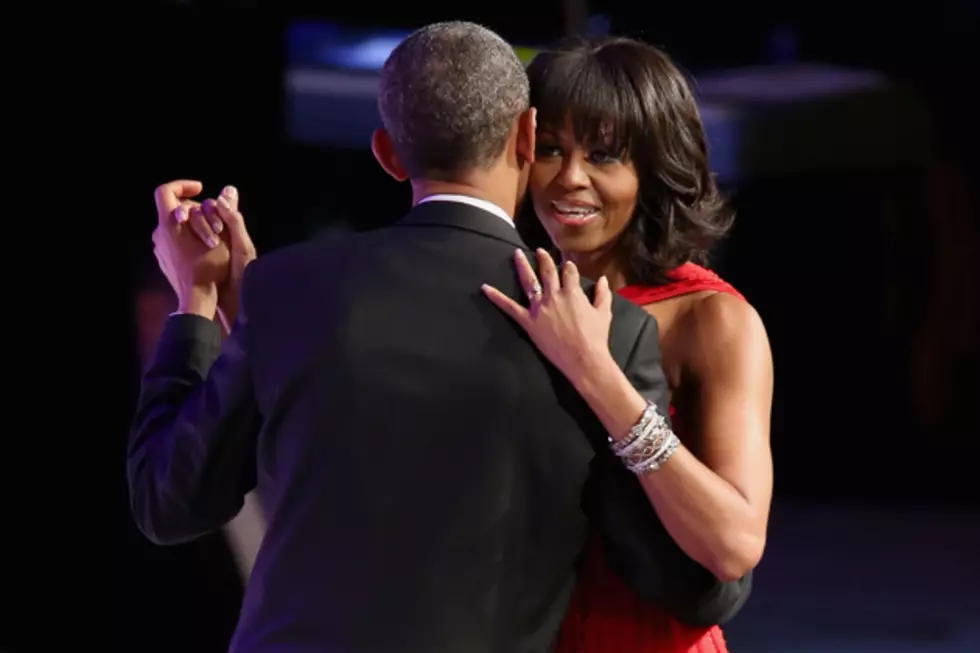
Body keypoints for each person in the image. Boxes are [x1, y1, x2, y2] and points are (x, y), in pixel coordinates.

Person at [129, 22, 744, 653]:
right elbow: (690, 581)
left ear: (387, 154)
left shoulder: (283, 290)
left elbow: (168, 503)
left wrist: (195, 307)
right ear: (527, 139)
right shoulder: (600, 331)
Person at [484, 36, 774, 652]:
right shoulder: (505, 292)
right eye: (553, 149)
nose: (569, 179)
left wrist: (597, 371)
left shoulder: (713, 320)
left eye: (604, 155)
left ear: (654, 168)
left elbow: (734, 543)